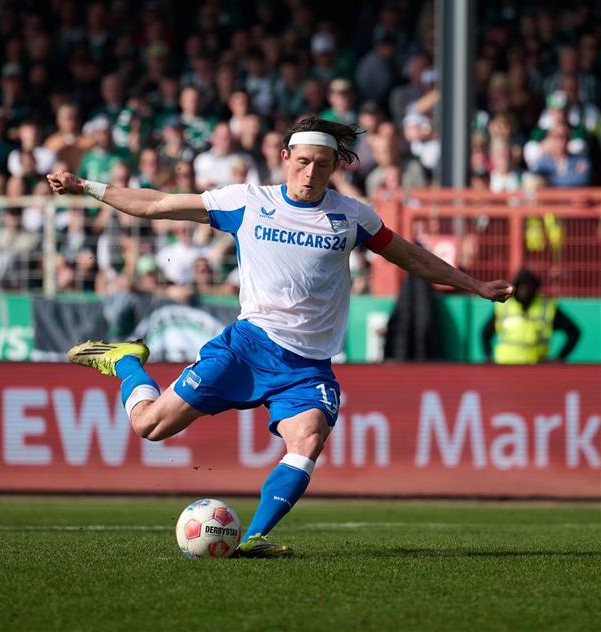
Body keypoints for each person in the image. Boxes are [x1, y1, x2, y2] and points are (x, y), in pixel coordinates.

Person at [47, 117, 514, 558]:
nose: (312, 173)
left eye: (323, 166)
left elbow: (412, 258)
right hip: (247, 348)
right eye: (304, 161)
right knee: (150, 427)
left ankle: (254, 538)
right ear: (286, 156)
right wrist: (88, 187)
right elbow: (157, 204)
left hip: (309, 366)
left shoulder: (352, 216)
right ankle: (126, 360)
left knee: (307, 439)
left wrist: (474, 285)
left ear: (335, 168)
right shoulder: (246, 201)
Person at [482, 268, 581, 364]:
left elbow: (574, 332)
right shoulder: (503, 306)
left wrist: (560, 357)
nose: (524, 290)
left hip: (536, 368)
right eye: (521, 286)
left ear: (534, 287)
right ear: (515, 288)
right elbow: (485, 333)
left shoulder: (547, 307)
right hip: (505, 365)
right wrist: (488, 357)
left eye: (528, 286)